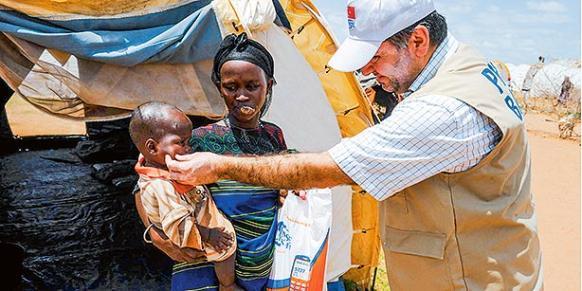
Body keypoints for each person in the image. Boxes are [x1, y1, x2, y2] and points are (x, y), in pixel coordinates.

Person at [163, 0, 543, 290]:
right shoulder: (467, 67)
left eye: (375, 56)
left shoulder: (446, 108)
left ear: (418, 40)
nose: (366, 72)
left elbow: (333, 169)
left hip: (470, 279)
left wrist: (221, 166)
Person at [135, 33, 289, 291]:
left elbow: (283, 183)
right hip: (207, 264)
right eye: (231, 87)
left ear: (269, 85)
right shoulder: (197, 140)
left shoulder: (274, 136)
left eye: (252, 86)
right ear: (220, 87)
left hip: (259, 260)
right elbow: (145, 184)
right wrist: (154, 231)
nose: (241, 95)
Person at [129, 101, 238, 291]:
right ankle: (227, 285)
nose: (189, 148)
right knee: (225, 250)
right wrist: (208, 234)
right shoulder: (161, 184)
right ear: (152, 148)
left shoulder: (159, 164)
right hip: (201, 237)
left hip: (201, 222)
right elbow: (177, 223)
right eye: (182, 143)